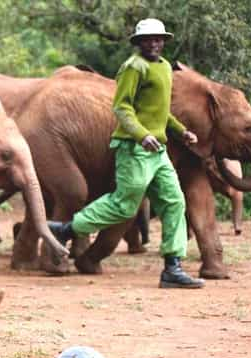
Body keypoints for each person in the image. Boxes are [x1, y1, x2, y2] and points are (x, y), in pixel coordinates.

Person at [47, 18, 204, 289]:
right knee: (124, 205)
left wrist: (181, 131)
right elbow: (122, 108)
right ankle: (65, 230)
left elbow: (158, 111)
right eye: (147, 39)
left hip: (159, 150)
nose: (153, 43)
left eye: (158, 39)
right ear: (139, 42)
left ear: (164, 41)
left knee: (174, 201)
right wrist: (142, 136)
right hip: (135, 149)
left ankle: (172, 267)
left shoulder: (165, 67)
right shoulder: (133, 67)